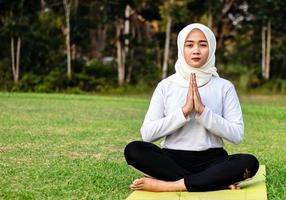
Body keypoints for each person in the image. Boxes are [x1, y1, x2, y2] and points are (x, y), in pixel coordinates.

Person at [124, 23, 259, 192]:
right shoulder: (166, 85)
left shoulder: (224, 86)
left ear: (211, 48)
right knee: (134, 150)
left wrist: (203, 112)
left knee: (249, 163)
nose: (196, 50)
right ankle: (213, 182)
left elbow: (237, 135)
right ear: (182, 48)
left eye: (203, 44)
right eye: (189, 45)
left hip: (213, 160)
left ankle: (170, 185)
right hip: (172, 159)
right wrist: (184, 112)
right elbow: (148, 134)